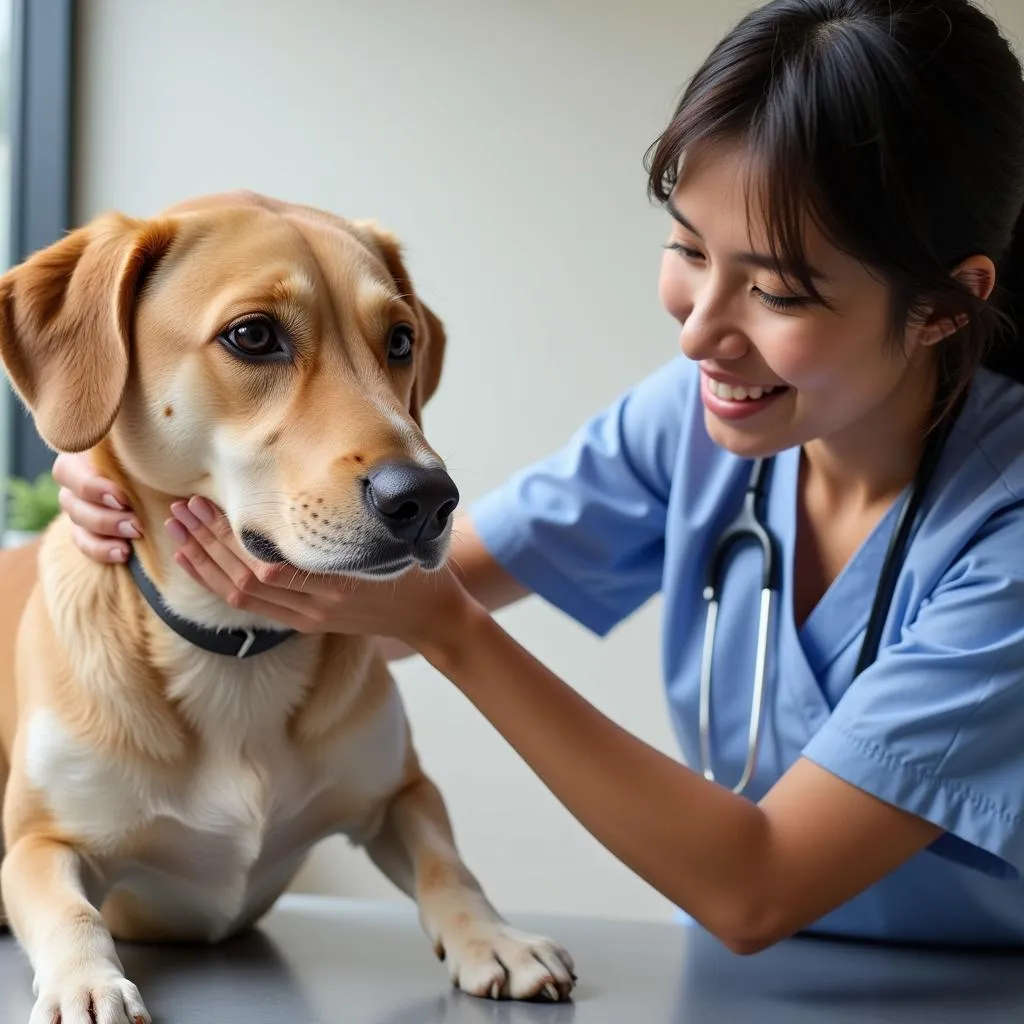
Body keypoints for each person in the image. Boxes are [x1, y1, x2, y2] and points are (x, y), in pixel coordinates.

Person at [52, 0, 1024, 953]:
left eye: (775, 290)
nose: (697, 331)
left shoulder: (1004, 538)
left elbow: (754, 885)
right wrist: (119, 440)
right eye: (687, 248)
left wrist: (448, 629)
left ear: (944, 307)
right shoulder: (695, 419)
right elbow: (358, 599)